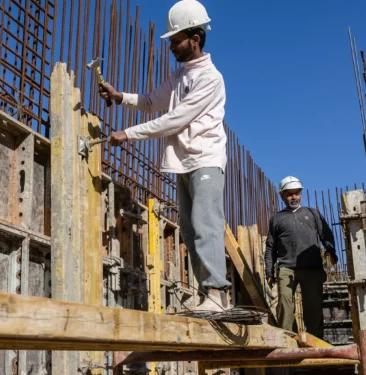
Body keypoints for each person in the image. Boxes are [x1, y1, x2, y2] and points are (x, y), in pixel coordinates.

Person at [98, 0, 231, 311]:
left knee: (205, 222)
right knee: (189, 227)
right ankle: (207, 295)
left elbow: (175, 119)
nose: (171, 46)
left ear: (194, 39)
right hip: (185, 161)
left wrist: (129, 133)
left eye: (175, 40)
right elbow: (151, 101)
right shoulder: (179, 76)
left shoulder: (210, 78)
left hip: (206, 160)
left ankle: (217, 295)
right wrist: (121, 98)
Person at [265, 176, 338, 338]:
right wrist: (268, 271)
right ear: (282, 196)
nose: (293, 197)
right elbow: (271, 247)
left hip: (311, 266)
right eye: (289, 194)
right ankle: (289, 339)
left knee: (313, 306)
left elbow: (326, 234)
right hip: (286, 268)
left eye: (296, 193)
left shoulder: (312, 214)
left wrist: (331, 251)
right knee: (284, 303)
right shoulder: (276, 219)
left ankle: (314, 341)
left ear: (301, 194)